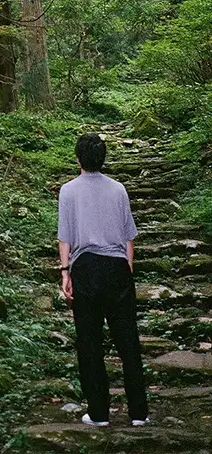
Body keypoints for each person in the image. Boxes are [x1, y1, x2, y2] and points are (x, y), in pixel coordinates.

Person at [57, 133, 149, 428]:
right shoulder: (118, 189)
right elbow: (128, 236)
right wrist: (127, 268)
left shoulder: (68, 191)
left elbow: (65, 237)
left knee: (89, 341)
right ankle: (138, 412)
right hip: (117, 267)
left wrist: (65, 272)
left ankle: (98, 413)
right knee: (128, 341)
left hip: (85, 267)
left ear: (78, 158)